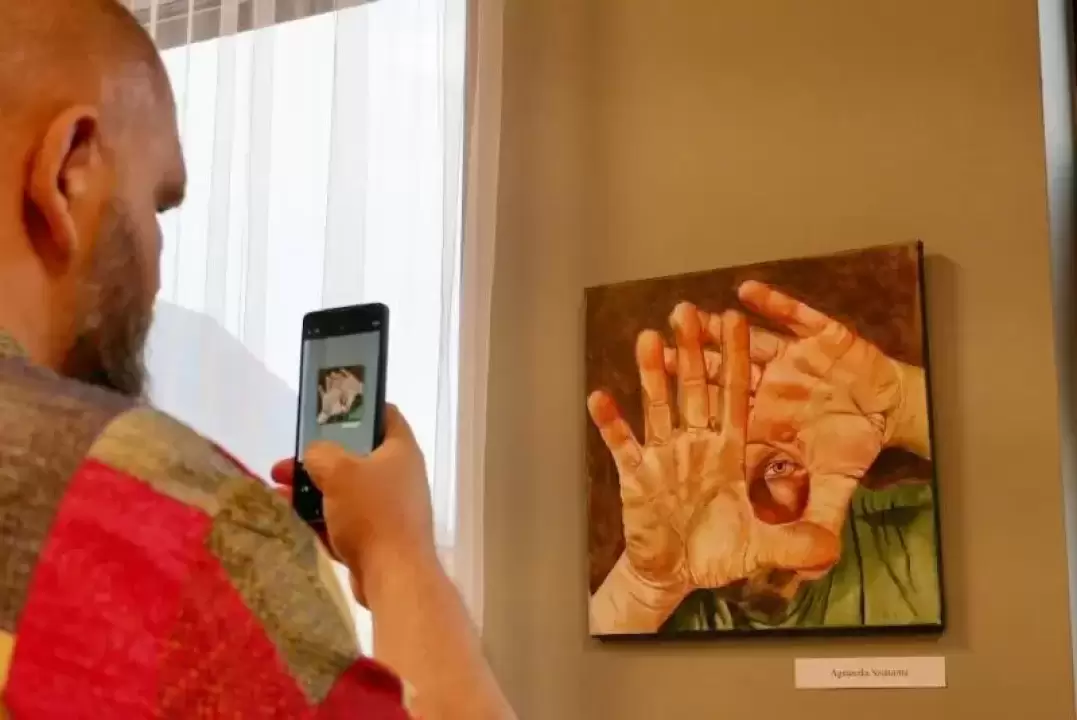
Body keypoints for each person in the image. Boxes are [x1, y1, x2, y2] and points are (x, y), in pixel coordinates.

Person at [0, 2, 515, 718]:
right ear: (69, 171)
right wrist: (398, 555)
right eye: (156, 206)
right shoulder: (178, 529)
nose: (157, 266)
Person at [588, 282, 939, 634]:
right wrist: (644, 591)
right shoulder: (667, 611)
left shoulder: (907, 542)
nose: (740, 505)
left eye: (777, 466)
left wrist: (904, 405)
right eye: (705, 474)